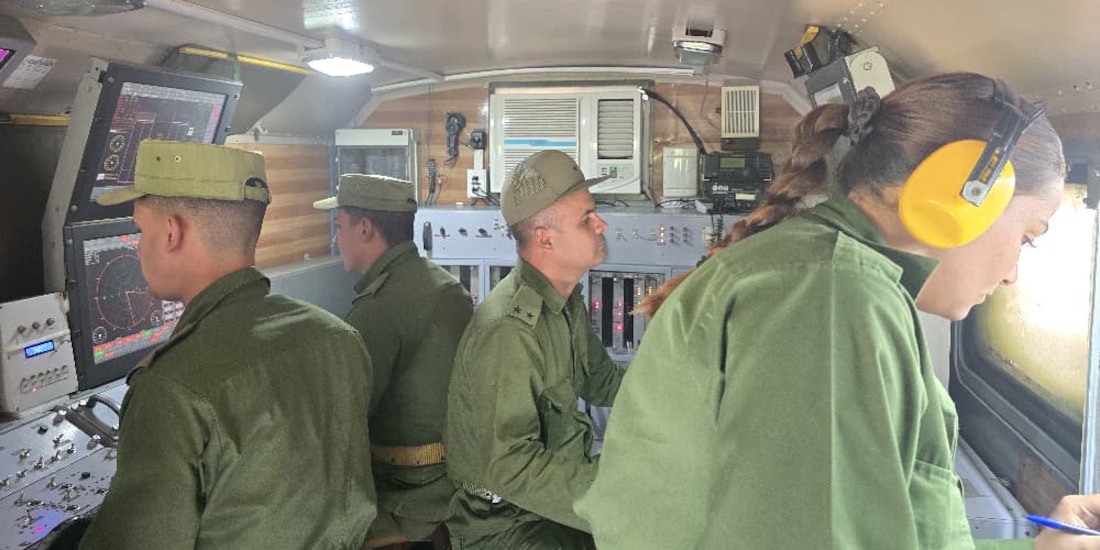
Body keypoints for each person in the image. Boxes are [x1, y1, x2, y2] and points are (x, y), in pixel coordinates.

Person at [576, 72, 1100, 549]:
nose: (1012, 274)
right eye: (1028, 239)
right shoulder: (829, 294)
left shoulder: (833, 277)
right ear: (963, 195)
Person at [80, 140, 377, 550]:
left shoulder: (172, 387)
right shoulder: (339, 338)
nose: (138, 245)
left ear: (170, 232)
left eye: (139, 230)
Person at [444, 150, 627, 549]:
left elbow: (604, 382)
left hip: (550, 499)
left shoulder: (565, 304)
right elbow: (509, 466)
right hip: (506, 523)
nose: (602, 224)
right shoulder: (509, 330)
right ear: (545, 237)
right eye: (586, 218)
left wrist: (689, 396)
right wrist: (615, 493)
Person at [313, 174, 473, 550]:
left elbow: (340, 424)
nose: (337, 240)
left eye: (340, 227)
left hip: (408, 498)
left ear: (365, 229)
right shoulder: (444, 285)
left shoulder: (378, 310)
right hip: (452, 484)